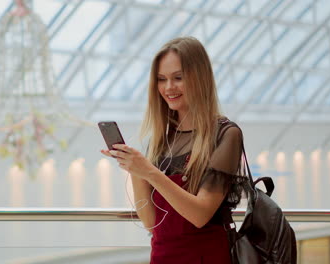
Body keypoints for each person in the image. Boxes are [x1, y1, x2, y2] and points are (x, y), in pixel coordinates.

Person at [101, 36, 247, 263]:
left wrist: (149, 172)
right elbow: (151, 223)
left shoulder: (226, 135)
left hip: (205, 256)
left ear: (200, 78)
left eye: (178, 78)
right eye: (161, 79)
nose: (168, 88)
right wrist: (135, 170)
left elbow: (200, 215)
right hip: (162, 256)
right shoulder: (161, 139)